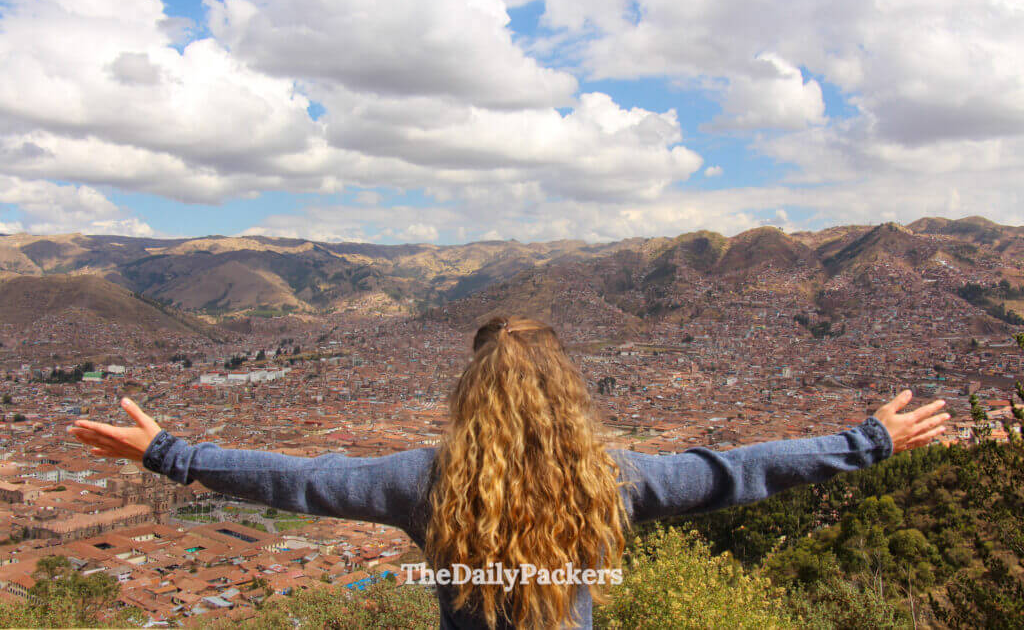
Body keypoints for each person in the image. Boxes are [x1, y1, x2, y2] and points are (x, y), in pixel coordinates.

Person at [68, 316, 949, 629]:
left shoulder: (422, 482)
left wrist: (171, 453)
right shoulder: (618, 479)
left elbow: (297, 479)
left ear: (470, 394)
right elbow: (738, 472)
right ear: (566, 395)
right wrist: (867, 439)